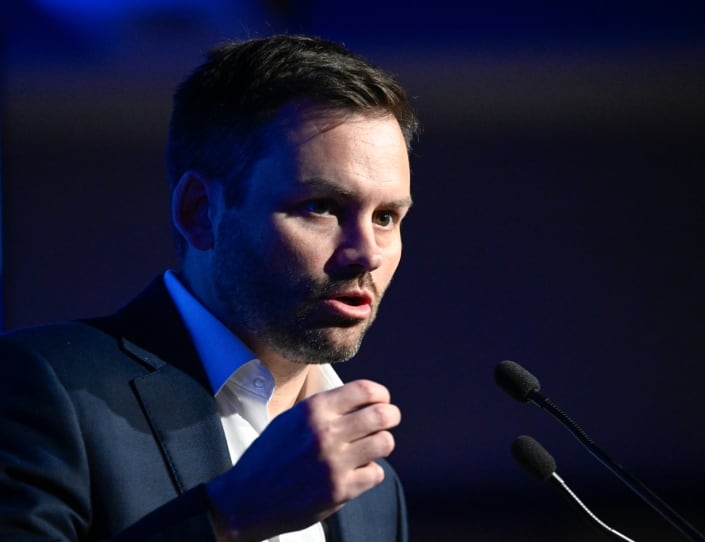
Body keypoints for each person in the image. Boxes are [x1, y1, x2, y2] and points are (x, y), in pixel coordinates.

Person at [0, 34, 419, 542]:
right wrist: (227, 518)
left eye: (386, 217)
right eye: (321, 206)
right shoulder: (44, 386)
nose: (367, 253)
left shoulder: (373, 486)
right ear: (200, 212)